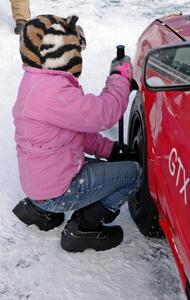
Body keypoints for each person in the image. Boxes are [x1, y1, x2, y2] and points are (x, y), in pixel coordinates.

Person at [12, 14, 142, 252]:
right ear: (62, 52)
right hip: (56, 191)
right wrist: (120, 77)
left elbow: (74, 130)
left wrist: (109, 149)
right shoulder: (54, 92)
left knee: (101, 167)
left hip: (39, 183)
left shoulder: (35, 80)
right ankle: (84, 228)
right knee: (133, 174)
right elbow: (104, 114)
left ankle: (40, 210)